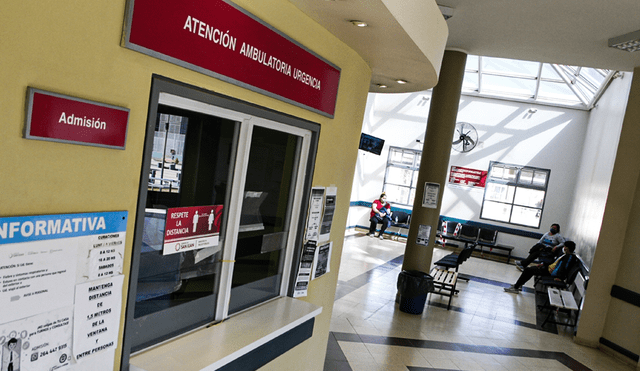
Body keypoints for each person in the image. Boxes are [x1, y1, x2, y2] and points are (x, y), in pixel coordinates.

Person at [504, 240, 577, 294]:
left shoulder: (569, 257)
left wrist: (560, 277)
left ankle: (516, 287)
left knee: (528, 270)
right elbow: (555, 263)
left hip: (551, 273)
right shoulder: (565, 255)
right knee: (529, 270)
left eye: (565, 247)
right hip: (549, 269)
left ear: (567, 248)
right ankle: (518, 285)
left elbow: (564, 268)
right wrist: (543, 264)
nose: (563, 248)